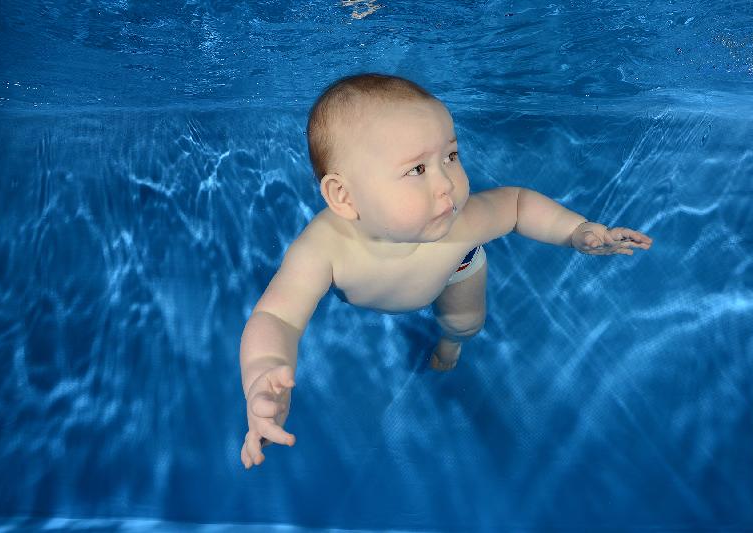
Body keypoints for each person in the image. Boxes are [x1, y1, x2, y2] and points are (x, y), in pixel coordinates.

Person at [239, 73, 653, 469]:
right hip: (373, 285)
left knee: (466, 321)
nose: (447, 185)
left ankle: (451, 344)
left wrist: (576, 230)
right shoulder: (323, 250)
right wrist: (263, 374)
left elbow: (517, 204)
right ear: (343, 196)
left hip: (456, 266)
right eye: (417, 169)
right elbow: (276, 318)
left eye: (451, 156)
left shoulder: (460, 223)